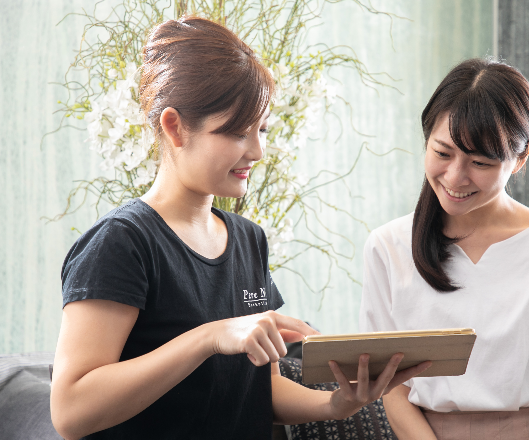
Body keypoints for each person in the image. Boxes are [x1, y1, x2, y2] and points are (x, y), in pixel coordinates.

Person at [50, 16, 430, 440]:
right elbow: (70, 411)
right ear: (174, 127)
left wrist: (338, 404)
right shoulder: (122, 243)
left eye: (262, 129)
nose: (258, 151)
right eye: (235, 132)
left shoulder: (249, 240)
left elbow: (259, 390)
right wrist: (210, 337)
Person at [359, 58, 529, 440]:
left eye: (480, 162)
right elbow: (392, 387)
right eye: (442, 153)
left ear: (520, 157)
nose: (456, 177)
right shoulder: (387, 247)